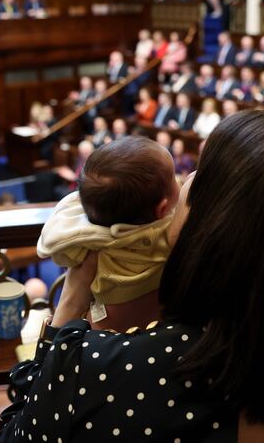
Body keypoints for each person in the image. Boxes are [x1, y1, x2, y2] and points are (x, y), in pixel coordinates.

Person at [0, 111, 264, 442]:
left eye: (204, 175)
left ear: (220, 228)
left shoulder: (111, 366)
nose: (188, 178)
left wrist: (69, 306)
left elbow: (18, 434)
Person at [36, 136, 179, 332]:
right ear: (162, 209)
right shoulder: (172, 233)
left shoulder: (87, 240)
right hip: (158, 328)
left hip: (102, 332)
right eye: (174, 177)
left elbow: (61, 252)